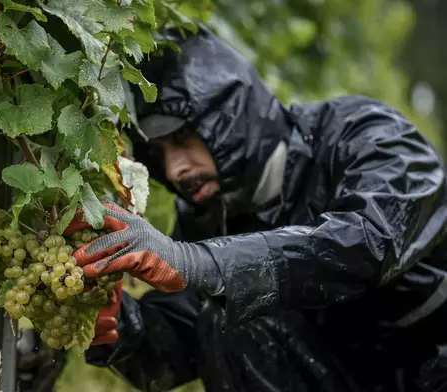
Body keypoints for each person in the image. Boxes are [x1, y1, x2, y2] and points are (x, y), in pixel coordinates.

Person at [63, 26, 447, 392]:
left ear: (228, 115)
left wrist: (196, 263)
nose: (175, 168)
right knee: (230, 316)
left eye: (183, 139)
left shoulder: (367, 137)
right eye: (160, 152)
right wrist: (116, 324)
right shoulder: (211, 213)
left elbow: (367, 242)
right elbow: (187, 340)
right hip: (349, 376)